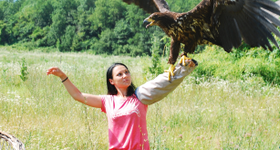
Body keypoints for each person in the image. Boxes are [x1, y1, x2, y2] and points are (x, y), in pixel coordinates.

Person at [46, 59, 197, 150]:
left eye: (126, 72)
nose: (125, 75)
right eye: (120, 74)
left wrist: (183, 68)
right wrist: (63, 77)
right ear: (111, 81)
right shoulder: (107, 101)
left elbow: (163, 83)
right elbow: (78, 96)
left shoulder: (140, 96)